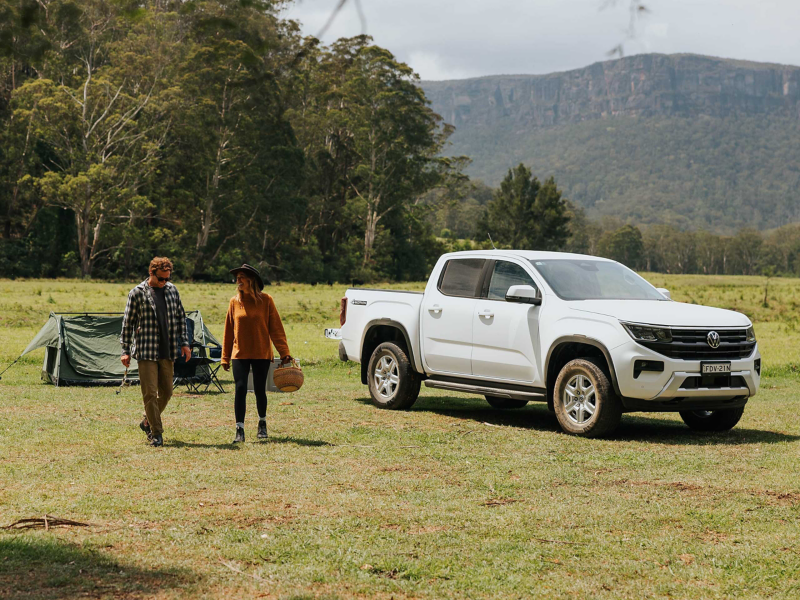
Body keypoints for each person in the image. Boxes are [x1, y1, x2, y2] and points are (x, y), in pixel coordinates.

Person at [120, 257, 191, 447]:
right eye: (161, 279)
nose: (164, 282)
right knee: (150, 393)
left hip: (167, 350)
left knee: (167, 392)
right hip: (146, 350)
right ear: (151, 273)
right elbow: (128, 323)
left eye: (167, 278)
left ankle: (147, 421)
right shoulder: (137, 293)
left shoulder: (172, 290)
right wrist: (125, 350)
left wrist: (185, 343)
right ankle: (156, 433)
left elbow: (180, 318)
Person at [222, 264, 292, 443]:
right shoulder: (234, 302)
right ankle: (240, 429)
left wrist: (284, 352)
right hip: (240, 353)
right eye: (237, 277)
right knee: (240, 389)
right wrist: (225, 356)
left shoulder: (266, 300)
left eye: (241, 277)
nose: (238, 280)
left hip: (261, 352)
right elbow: (229, 331)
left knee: (260, 389)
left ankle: (262, 424)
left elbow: (276, 329)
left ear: (251, 280)